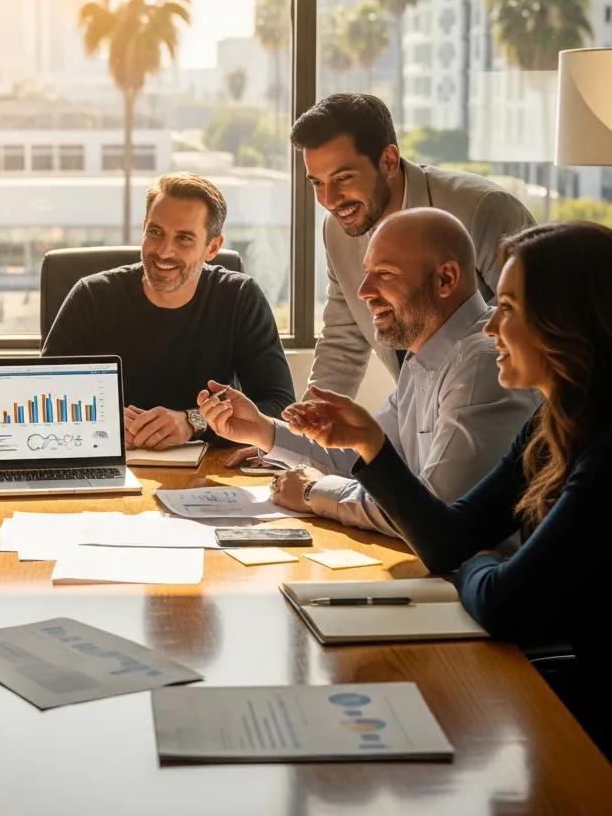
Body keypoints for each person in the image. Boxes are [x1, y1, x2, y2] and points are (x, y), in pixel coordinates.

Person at [282, 222, 612, 794]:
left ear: (569, 323)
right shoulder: (551, 424)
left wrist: (478, 564)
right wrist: (370, 447)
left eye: (507, 308)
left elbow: (505, 603)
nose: (492, 326)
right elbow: (447, 542)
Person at [198, 209, 539, 537]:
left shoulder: (481, 366)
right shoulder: (426, 355)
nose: (363, 292)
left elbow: (429, 513)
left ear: (445, 279)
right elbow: (372, 460)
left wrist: (313, 492)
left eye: (385, 274)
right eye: (367, 272)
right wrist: (264, 430)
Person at [296, 93, 534, 399]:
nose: (329, 200)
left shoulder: (481, 208)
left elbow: (541, 323)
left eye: (343, 178)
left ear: (389, 161)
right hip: (417, 417)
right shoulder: (338, 229)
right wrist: (298, 439)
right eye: (317, 183)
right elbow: (343, 339)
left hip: (507, 415)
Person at [43, 172, 294, 448]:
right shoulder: (90, 296)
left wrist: (193, 422)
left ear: (212, 247)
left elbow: (279, 406)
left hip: (208, 472)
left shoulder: (239, 297)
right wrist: (103, 422)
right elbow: (45, 394)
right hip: (109, 459)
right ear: (143, 228)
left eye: (184, 238)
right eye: (155, 232)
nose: (163, 252)